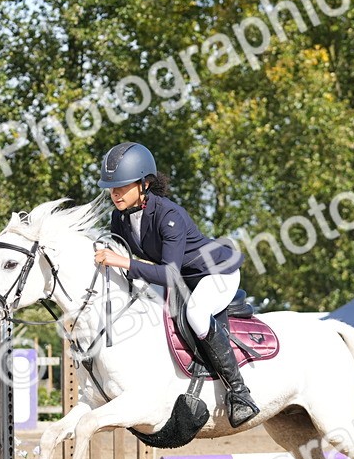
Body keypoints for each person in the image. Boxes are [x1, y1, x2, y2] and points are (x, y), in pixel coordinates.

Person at [91, 142, 260, 428]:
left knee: (195, 314)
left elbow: (167, 273)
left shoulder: (169, 215)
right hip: (182, 279)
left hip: (215, 274)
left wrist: (121, 263)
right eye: (111, 187)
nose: (114, 192)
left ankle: (239, 393)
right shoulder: (119, 217)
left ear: (144, 184)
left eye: (122, 185)